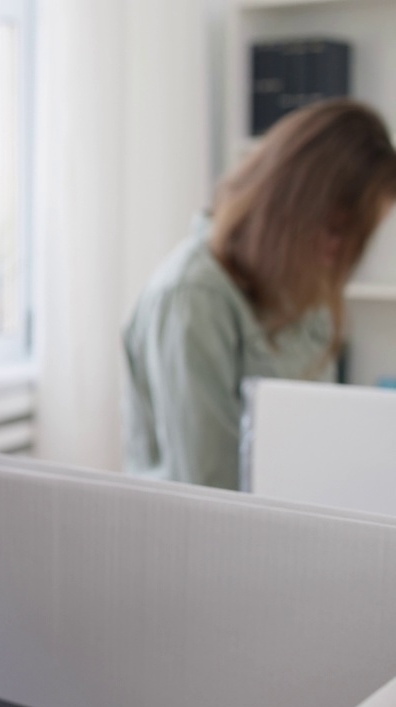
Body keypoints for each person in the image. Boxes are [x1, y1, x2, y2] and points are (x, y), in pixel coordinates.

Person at [123, 99, 396, 491]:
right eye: (336, 229)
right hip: (213, 541)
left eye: (358, 238)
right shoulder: (192, 297)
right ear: (290, 202)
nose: (339, 254)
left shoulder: (303, 283)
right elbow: (210, 491)